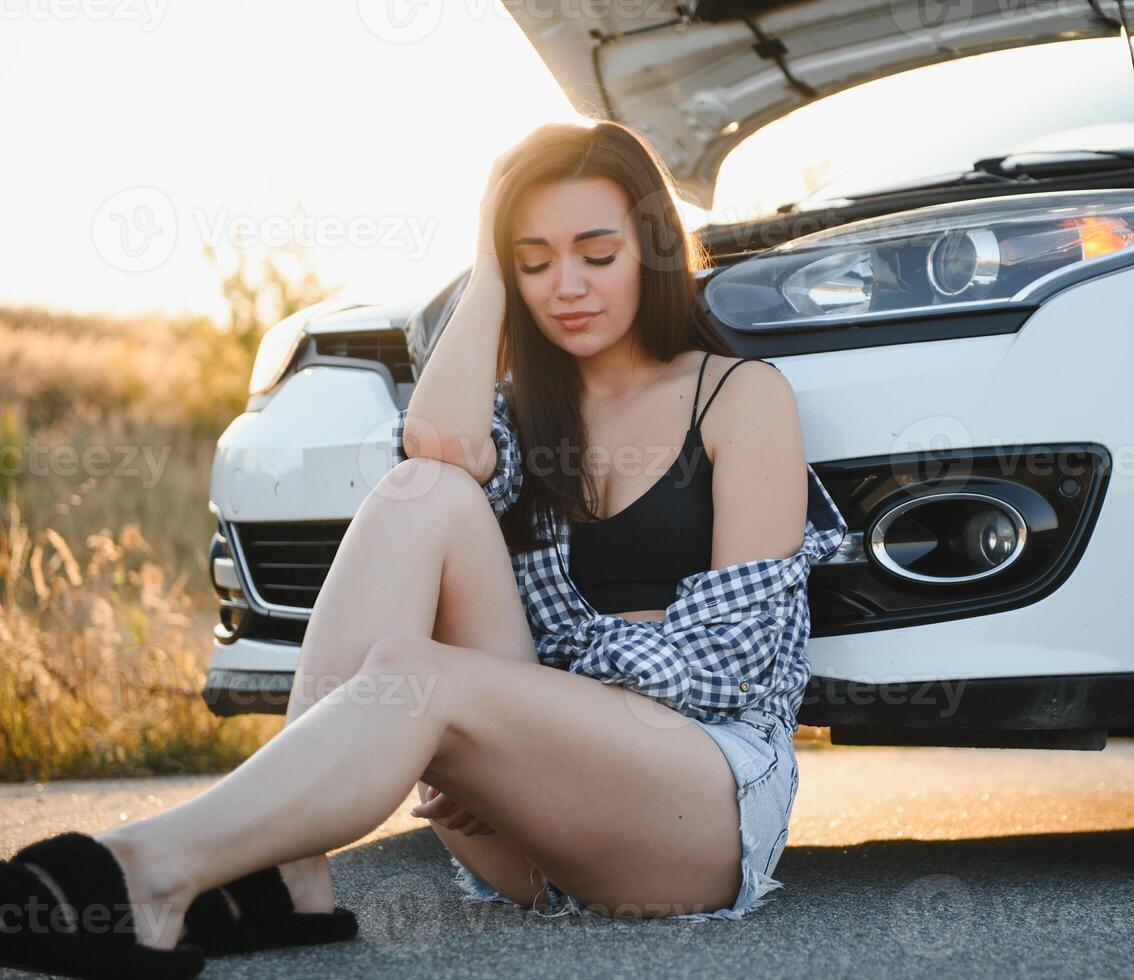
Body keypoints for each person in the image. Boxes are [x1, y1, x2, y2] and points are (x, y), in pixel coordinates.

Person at [0, 120, 847, 979]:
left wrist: (488, 721)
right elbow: (434, 446)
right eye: (532, 260)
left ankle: (140, 871)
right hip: (523, 827)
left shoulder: (739, 397)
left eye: (597, 254)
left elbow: (726, 666)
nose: (567, 287)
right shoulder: (521, 413)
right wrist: (485, 262)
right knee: (423, 491)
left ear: (654, 252)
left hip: (693, 817)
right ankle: (289, 874)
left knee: (422, 672)